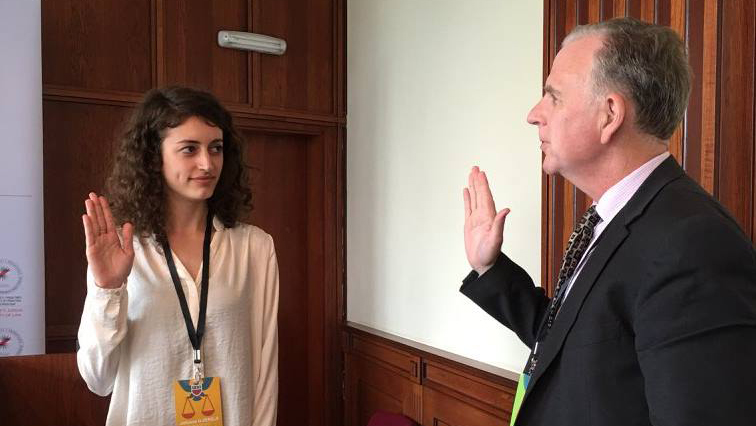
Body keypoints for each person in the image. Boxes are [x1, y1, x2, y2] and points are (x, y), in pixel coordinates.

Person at [461, 17, 756, 426]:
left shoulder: (693, 244)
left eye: (554, 97)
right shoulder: (618, 217)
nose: (534, 114)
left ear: (610, 114)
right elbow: (574, 341)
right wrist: (489, 268)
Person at [77, 86, 279, 426]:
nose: (207, 163)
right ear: (154, 157)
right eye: (189, 149)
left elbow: (265, 371)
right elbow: (97, 379)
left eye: (216, 148)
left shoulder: (254, 249)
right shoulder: (124, 251)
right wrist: (107, 288)